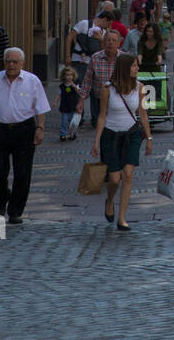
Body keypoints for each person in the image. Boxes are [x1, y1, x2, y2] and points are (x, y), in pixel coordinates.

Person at [0, 48, 50, 225]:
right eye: (8, 61)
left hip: (24, 130)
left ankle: (15, 210)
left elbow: (41, 107)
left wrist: (40, 128)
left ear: (22, 63)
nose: (11, 65)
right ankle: (3, 197)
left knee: (23, 172)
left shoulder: (32, 81)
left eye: (15, 62)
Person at [92, 52, 153, 231]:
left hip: (131, 134)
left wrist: (149, 138)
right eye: (134, 65)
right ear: (125, 68)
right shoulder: (107, 89)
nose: (137, 68)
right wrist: (96, 141)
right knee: (114, 178)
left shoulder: (140, 87)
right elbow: (102, 115)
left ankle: (122, 217)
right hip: (110, 135)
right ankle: (110, 200)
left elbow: (142, 114)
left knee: (127, 174)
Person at [76, 30, 123, 129]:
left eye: (114, 40)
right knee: (99, 126)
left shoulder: (124, 59)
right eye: (108, 40)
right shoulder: (95, 58)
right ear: (104, 42)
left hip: (119, 100)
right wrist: (81, 100)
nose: (111, 43)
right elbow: (87, 81)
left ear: (119, 43)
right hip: (99, 100)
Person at [65, 11, 110, 88]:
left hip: (92, 65)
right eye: (109, 23)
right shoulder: (84, 24)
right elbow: (70, 37)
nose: (109, 26)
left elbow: (103, 51)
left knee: (89, 89)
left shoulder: (104, 32)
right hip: (78, 62)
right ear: (105, 19)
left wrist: (101, 39)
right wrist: (67, 56)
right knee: (73, 87)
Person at [55, 66, 82, 141]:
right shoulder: (62, 86)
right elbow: (59, 95)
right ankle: (63, 134)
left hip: (73, 105)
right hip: (64, 106)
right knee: (64, 121)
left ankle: (72, 133)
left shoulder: (75, 85)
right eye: (67, 75)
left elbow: (79, 93)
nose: (69, 77)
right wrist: (55, 102)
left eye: (71, 75)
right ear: (64, 76)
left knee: (72, 122)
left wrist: (75, 87)